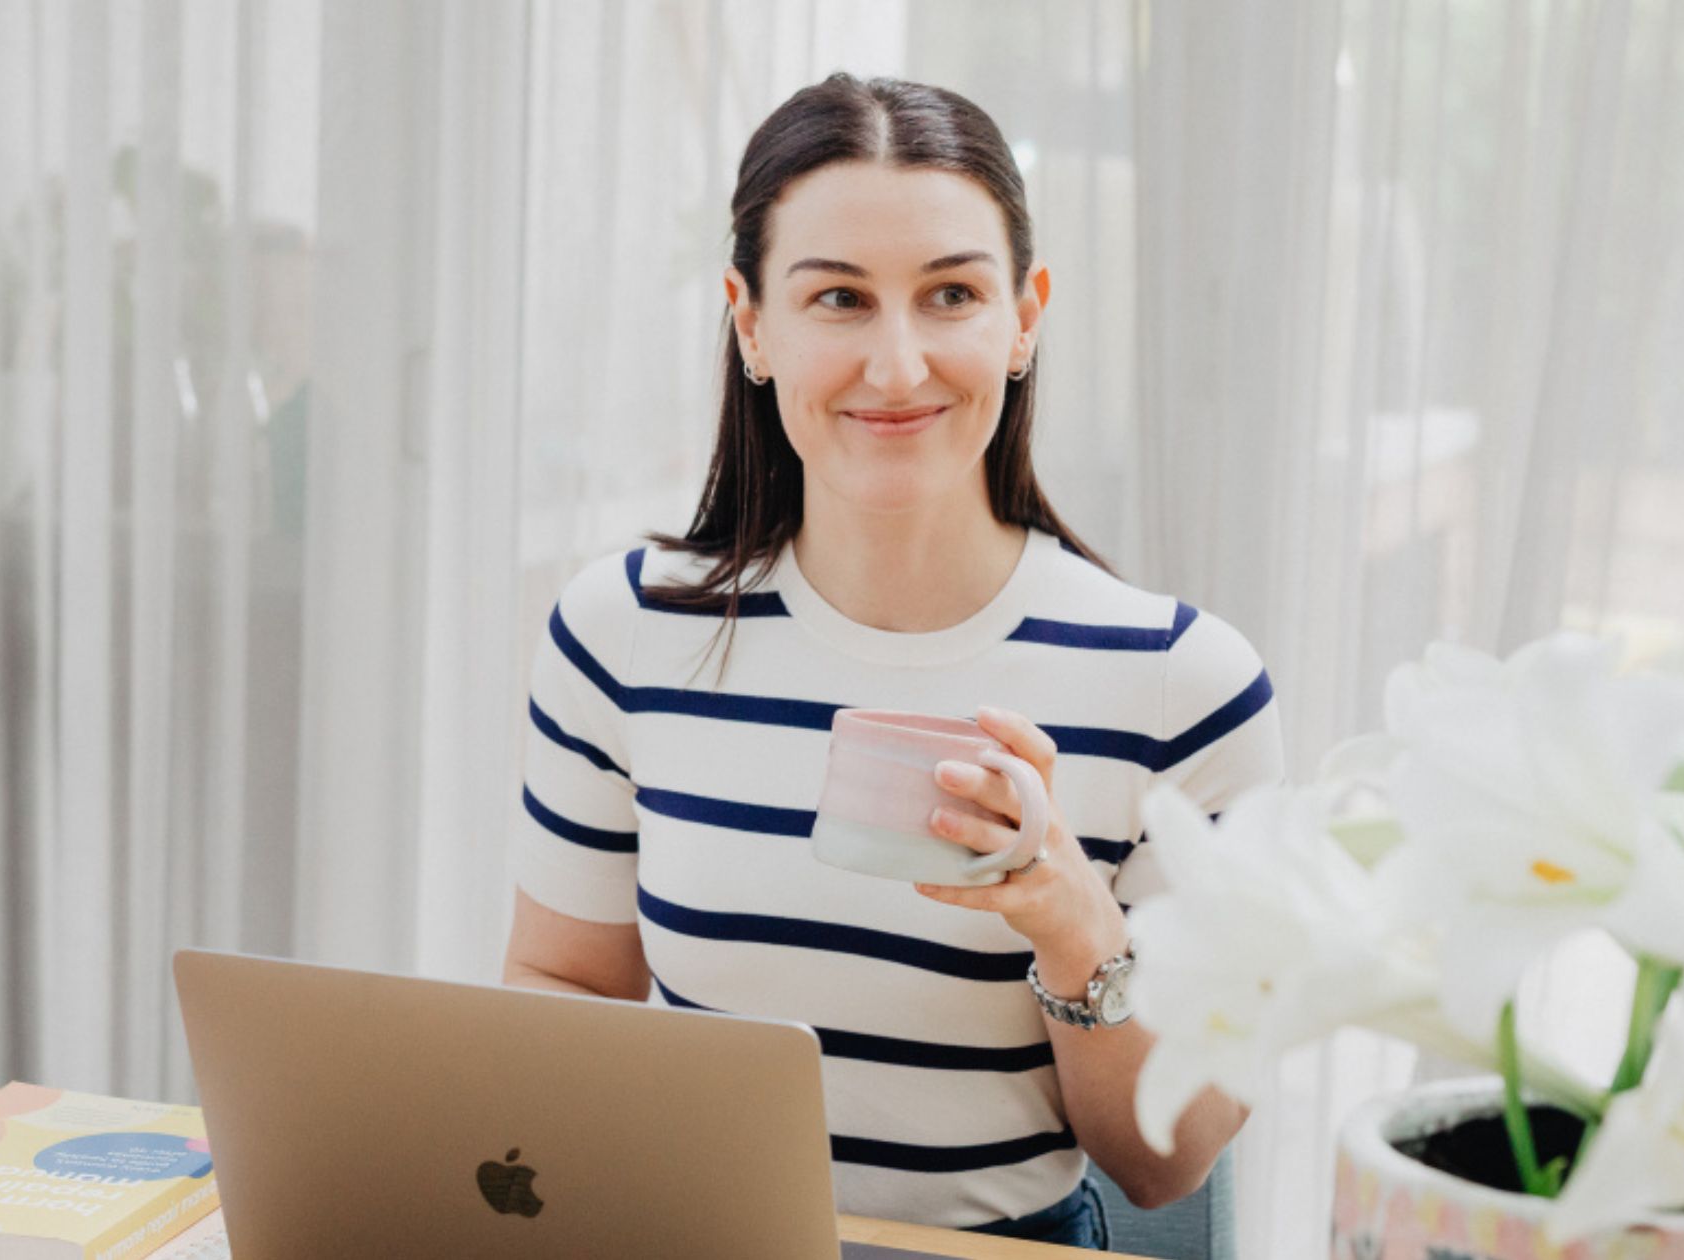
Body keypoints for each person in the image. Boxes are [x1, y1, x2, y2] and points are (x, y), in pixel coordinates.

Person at [500, 72, 1284, 1251]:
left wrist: (1073, 920)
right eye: (838, 300)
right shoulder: (620, 635)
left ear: (1024, 318)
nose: (899, 366)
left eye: (951, 294)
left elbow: (1161, 1166)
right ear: (751, 323)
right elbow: (559, 988)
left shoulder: (1183, 688)